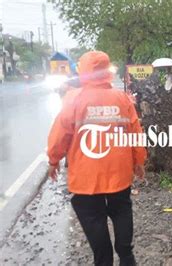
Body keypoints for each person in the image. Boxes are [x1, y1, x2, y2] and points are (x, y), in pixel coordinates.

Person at [47, 51, 147, 266]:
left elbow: (60, 136)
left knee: (94, 222)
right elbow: (135, 133)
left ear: (82, 71)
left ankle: (104, 260)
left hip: (86, 178)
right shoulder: (122, 99)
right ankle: (126, 256)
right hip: (118, 174)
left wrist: (53, 160)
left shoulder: (73, 98)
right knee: (121, 209)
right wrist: (139, 161)